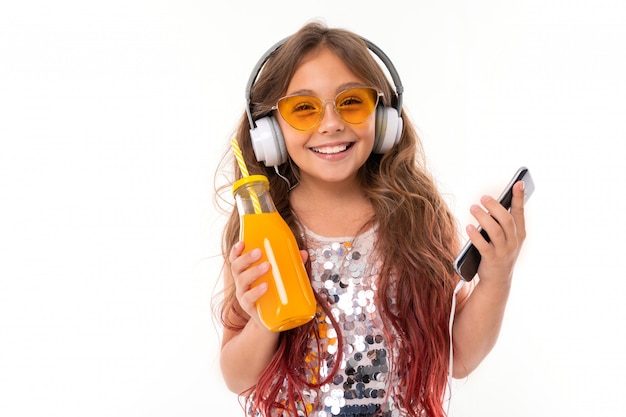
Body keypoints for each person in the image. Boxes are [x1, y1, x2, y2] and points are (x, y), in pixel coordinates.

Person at [214, 21, 527, 417]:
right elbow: (238, 378)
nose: (331, 123)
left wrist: (497, 277)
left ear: (383, 120)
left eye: (351, 102)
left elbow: (459, 359)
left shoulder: (419, 219)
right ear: (270, 132)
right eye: (304, 108)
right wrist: (263, 322)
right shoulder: (263, 232)